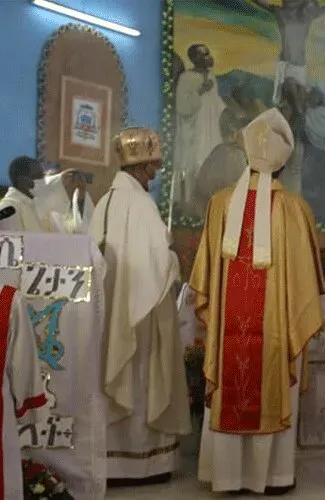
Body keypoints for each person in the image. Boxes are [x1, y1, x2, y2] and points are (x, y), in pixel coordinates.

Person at [190, 108, 325, 495]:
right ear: (283, 164)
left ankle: (227, 476)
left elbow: (203, 278)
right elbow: (305, 285)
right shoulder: (295, 209)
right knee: (270, 375)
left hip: (229, 334)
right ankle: (273, 476)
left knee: (232, 378)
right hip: (275, 333)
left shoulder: (220, 204)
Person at [89, 127, 191, 486]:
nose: (155, 174)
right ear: (141, 166)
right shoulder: (142, 205)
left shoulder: (104, 203)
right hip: (140, 318)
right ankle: (143, 463)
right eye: (152, 168)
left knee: (114, 374)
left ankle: (112, 463)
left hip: (109, 312)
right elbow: (159, 264)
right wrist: (174, 259)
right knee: (142, 378)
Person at [0, 285, 49, 500]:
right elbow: (23, 362)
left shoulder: (8, 300)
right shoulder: (8, 299)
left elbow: (22, 359)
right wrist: (28, 407)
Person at [175, 43, 227, 215]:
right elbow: (182, 106)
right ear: (194, 58)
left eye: (208, 53)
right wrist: (200, 91)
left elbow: (216, 103)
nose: (208, 57)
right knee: (194, 168)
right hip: (195, 134)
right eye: (203, 54)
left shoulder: (211, 77)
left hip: (212, 133)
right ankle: (191, 210)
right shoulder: (186, 78)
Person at [0, 157, 83, 232]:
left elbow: (63, 236)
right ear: (22, 180)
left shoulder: (40, 206)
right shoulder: (8, 209)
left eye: (43, 176)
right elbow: (12, 242)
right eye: (38, 176)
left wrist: (80, 198)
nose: (43, 180)